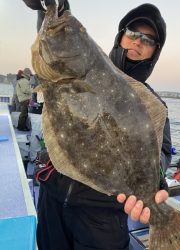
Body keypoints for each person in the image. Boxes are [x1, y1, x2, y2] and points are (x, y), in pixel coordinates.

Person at [23, 1, 172, 249]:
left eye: (147, 40)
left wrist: (153, 181)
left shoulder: (152, 104)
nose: (138, 42)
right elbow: (56, 40)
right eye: (133, 34)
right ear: (121, 37)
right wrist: (48, 6)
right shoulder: (85, 62)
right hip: (53, 197)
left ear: (154, 52)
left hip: (102, 219)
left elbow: (162, 153)